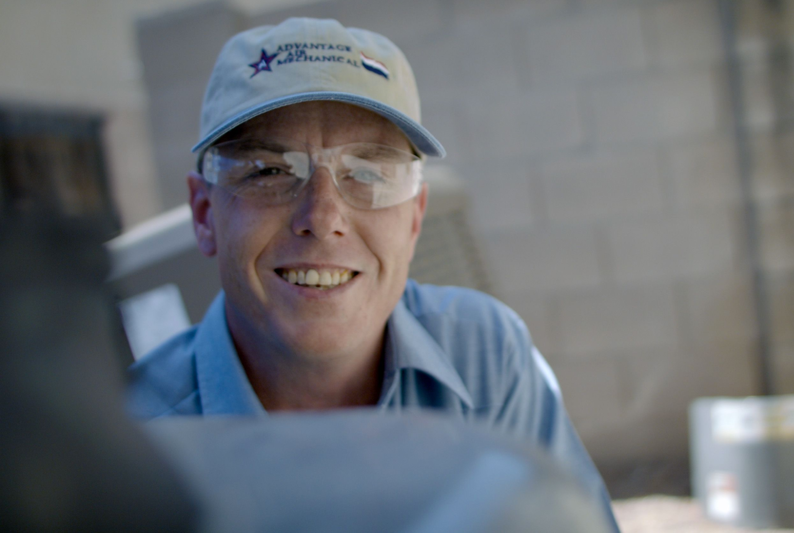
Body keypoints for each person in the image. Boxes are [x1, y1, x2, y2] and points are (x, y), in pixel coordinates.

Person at [127, 17, 619, 531]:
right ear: (205, 215)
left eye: (367, 173)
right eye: (270, 171)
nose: (321, 218)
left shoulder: (485, 359)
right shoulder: (132, 444)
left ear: (413, 219)